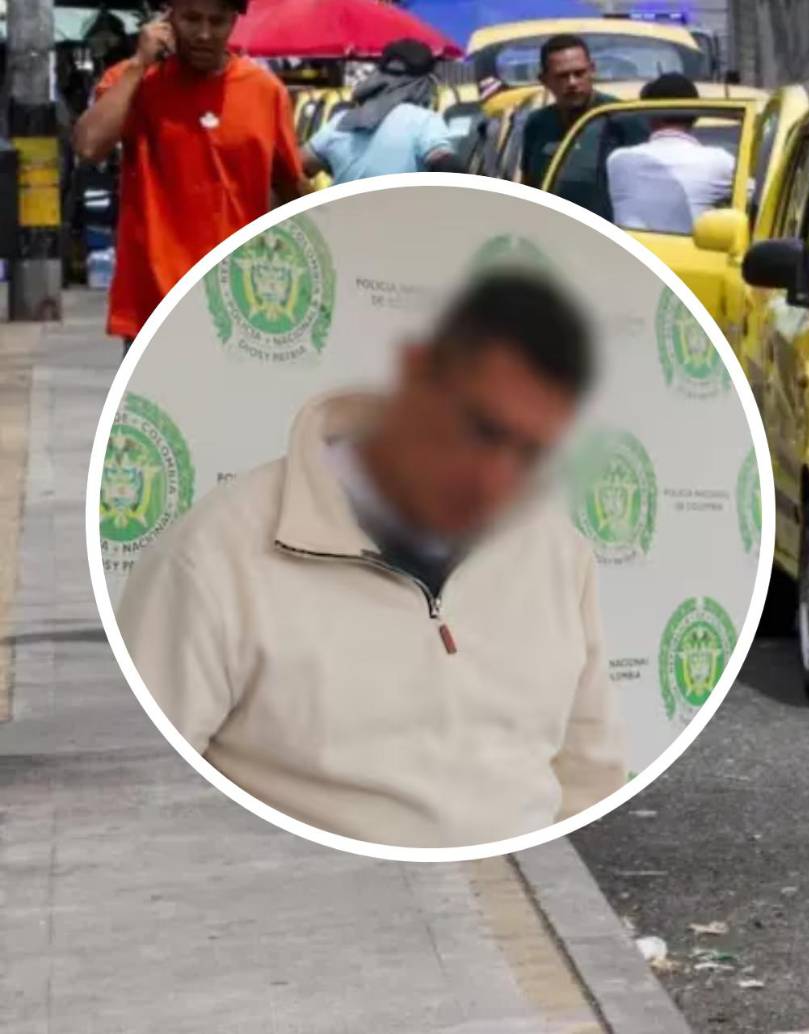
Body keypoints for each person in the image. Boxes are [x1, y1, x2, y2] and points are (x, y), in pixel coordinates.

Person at [117, 270, 627, 849]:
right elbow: (139, 803)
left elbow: (589, 770)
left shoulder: (556, 551)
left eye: (530, 452)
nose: (494, 478)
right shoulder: (210, 561)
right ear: (415, 376)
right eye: (481, 429)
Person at [73, 0, 308, 355]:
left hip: (240, 309)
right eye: (191, 19)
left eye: (217, 21)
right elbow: (89, 147)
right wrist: (138, 65)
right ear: (168, 18)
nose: (203, 34)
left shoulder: (266, 92)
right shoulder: (137, 81)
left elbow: (292, 189)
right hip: (155, 307)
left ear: (234, 21)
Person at [301, 39, 461, 184]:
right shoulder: (423, 121)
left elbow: (296, 170)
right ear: (425, 85)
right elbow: (447, 167)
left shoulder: (341, 122)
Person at [606, 73, 735, 235]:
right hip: (693, 258)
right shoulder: (720, 162)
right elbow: (758, 201)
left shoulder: (618, 161)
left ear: (649, 116)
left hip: (629, 257)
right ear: (696, 116)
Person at [520, 34, 618, 189]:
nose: (572, 83)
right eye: (562, 76)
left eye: (579, 73)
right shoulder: (538, 124)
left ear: (592, 70)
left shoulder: (620, 117)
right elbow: (529, 184)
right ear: (544, 80)